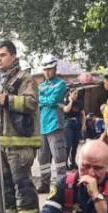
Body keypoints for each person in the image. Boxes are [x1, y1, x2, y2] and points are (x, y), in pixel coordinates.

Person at [0, 40, 39, 213]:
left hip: (21, 144)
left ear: (13, 56)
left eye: (3, 55)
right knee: (6, 188)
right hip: (1, 144)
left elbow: (32, 102)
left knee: (23, 185)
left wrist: (9, 100)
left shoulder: (25, 78)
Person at [37, 54, 68, 194]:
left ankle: (62, 184)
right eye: (45, 70)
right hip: (41, 126)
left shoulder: (61, 84)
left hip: (55, 125)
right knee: (42, 158)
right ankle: (44, 183)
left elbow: (52, 100)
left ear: (55, 69)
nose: (47, 72)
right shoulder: (41, 85)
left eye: (49, 69)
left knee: (59, 158)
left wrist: (42, 98)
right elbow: (38, 100)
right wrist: (46, 98)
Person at [62, 86, 85, 170]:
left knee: (75, 145)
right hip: (68, 125)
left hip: (77, 124)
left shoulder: (79, 102)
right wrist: (70, 101)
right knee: (68, 145)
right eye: (74, 93)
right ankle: (65, 163)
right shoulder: (66, 101)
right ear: (70, 94)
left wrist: (83, 125)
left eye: (77, 94)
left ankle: (73, 162)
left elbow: (83, 114)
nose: (76, 95)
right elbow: (66, 110)